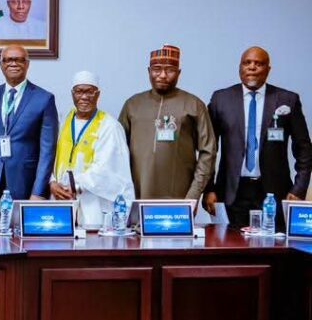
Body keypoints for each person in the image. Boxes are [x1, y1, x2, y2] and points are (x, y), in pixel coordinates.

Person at [207, 46, 312, 228]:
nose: (252, 67)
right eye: (247, 63)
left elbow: (304, 148)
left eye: (259, 63)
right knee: (231, 244)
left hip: (274, 193)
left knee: (273, 244)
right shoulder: (221, 99)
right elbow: (209, 149)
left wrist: (299, 188)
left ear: (268, 69)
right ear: (240, 67)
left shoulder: (287, 99)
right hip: (231, 192)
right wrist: (209, 189)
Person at [119, 45, 216, 204]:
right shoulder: (133, 105)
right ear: (149, 71)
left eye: (170, 70)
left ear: (179, 73)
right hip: (136, 195)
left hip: (181, 197)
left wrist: (193, 196)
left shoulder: (194, 104)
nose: (163, 75)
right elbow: (117, 151)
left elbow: (208, 152)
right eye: (157, 69)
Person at [49, 71, 133, 228]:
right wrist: (52, 181)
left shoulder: (109, 126)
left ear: (98, 94)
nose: (84, 97)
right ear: (72, 94)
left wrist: (75, 185)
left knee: (90, 240)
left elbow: (109, 169)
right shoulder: (64, 121)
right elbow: (50, 156)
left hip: (92, 204)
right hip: (61, 198)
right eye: (79, 91)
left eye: (89, 92)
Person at [0, 44, 58, 217]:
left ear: (27, 64)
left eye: (19, 60)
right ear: (1, 65)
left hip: (27, 187)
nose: (13, 63)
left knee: (23, 234)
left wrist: (38, 191)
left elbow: (48, 151)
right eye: (8, 60)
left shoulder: (44, 98)